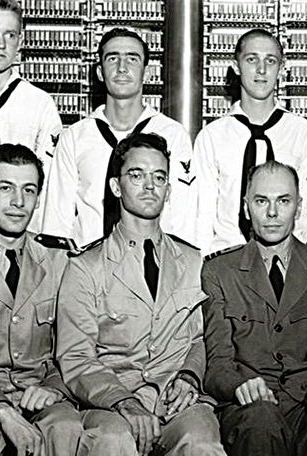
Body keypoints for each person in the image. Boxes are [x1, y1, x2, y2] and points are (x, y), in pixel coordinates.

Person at [56, 132, 225, 456]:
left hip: (175, 400)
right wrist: (124, 400)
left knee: (202, 441)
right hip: (112, 404)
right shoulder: (86, 268)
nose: (149, 186)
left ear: (169, 189)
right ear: (116, 187)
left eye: (159, 177)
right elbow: (77, 357)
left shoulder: (190, 261)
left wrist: (190, 377)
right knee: (111, 442)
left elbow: (199, 339)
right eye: (137, 175)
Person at [201, 160, 307, 456]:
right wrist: (240, 386)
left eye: (284, 201)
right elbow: (217, 365)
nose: (273, 213)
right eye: (262, 201)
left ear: (299, 207)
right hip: (252, 409)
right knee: (260, 425)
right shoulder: (219, 271)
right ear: (245, 206)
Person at [42, 27, 197, 248]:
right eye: (112, 58)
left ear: (147, 72)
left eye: (132, 59)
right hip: (88, 267)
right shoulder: (75, 137)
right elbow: (57, 220)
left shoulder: (172, 134)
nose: (122, 68)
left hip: (152, 264)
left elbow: (182, 218)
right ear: (99, 72)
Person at [0, 144, 82, 455]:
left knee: (68, 428)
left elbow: (75, 348)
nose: (18, 202)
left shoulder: (60, 261)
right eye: (5, 188)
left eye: (29, 190)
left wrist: (52, 387)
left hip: (41, 391)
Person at [194, 29, 307, 255]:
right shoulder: (212, 136)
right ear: (236, 66)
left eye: (270, 61)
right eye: (252, 59)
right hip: (228, 259)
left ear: (281, 68)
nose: (261, 70)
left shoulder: (300, 131)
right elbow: (202, 216)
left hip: (288, 260)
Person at [0, 0, 62, 232]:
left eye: (10, 35)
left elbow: (48, 185)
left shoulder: (38, 103)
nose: (0, 44)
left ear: (21, 41)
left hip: (18, 236)